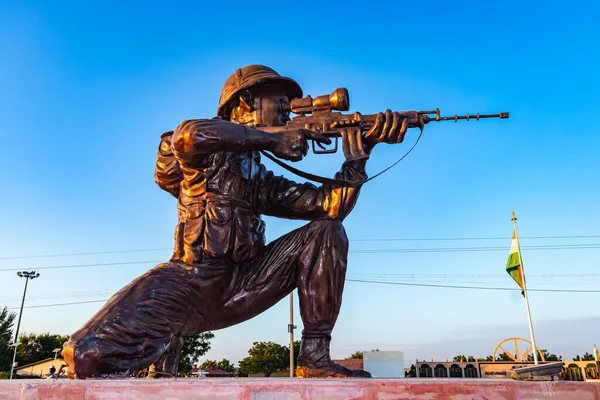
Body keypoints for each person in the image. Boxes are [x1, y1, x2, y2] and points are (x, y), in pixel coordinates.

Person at [62, 65, 419, 379]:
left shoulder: (260, 179)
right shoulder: (204, 156)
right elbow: (188, 135)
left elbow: (330, 207)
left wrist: (359, 157)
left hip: (243, 286)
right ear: (245, 103)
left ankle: (314, 357)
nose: (286, 110)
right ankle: (161, 353)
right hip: (192, 283)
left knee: (327, 231)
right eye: (279, 102)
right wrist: (271, 140)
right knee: (85, 355)